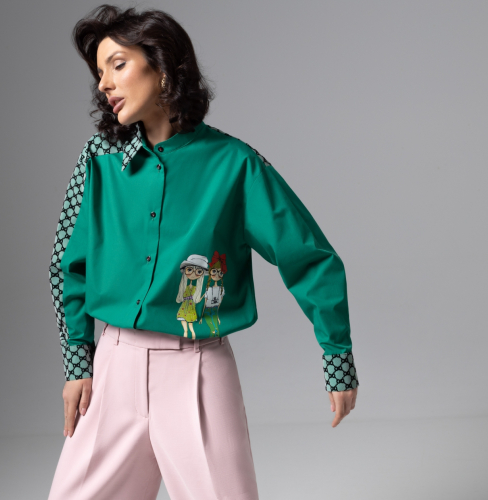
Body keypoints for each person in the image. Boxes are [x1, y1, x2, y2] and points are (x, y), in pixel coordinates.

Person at [47, 5, 359, 500]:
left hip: (196, 369)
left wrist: (337, 353)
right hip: (113, 367)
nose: (104, 83)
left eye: (118, 65)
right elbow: (68, 264)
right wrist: (77, 363)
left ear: (163, 67)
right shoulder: (98, 161)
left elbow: (308, 255)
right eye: (100, 71)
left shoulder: (234, 164)